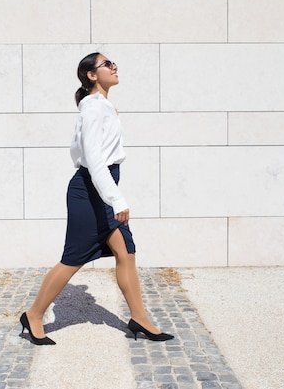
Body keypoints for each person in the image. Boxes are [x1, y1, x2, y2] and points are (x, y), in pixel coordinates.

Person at [20, 52, 174, 345]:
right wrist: (116, 199)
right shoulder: (92, 109)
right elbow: (93, 159)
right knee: (73, 259)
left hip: (101, 187)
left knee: (126, 252)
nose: (115, 66)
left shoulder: (102, 106)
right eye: (107, 64)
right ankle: (34, 315)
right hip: (90, 191)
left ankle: (139, 318)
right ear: (92, 75)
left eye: (114, 62)